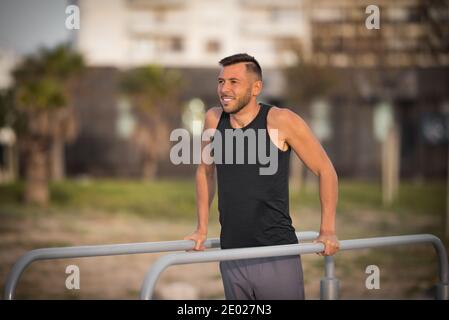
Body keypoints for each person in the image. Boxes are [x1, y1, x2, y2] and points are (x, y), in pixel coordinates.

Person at [184, 53, 339, 300]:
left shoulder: (280, 120)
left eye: (234, 82)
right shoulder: (214, 119)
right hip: (231, 255)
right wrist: (201, 228)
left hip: (275, 252)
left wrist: (327, 229)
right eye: (221, 81)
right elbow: (205, 172)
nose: (224, 89)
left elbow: (325, 170)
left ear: (256, 87)